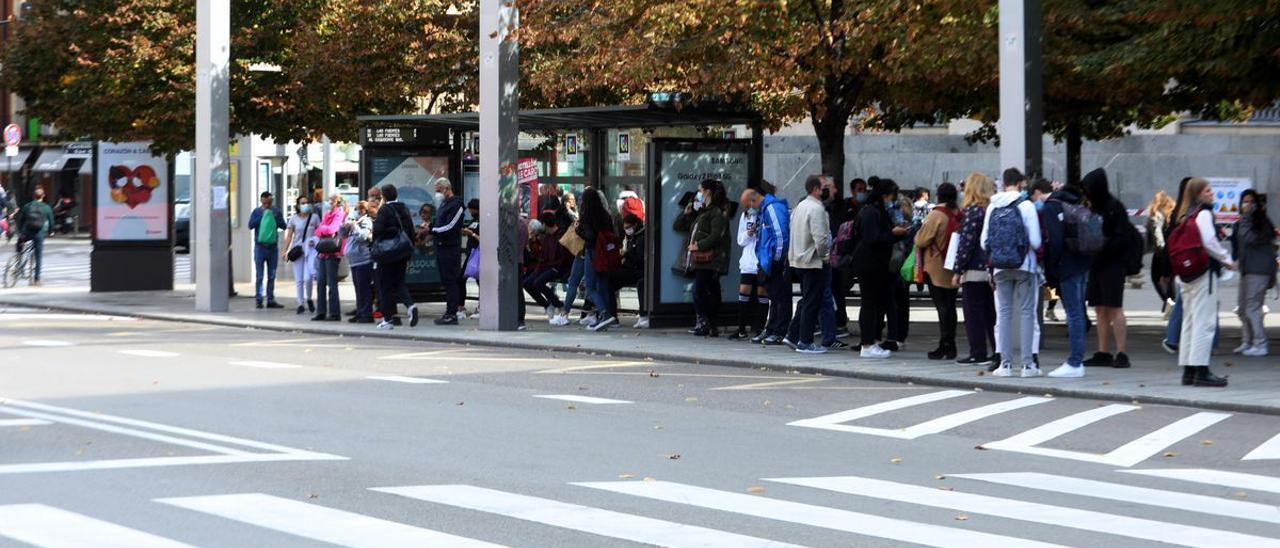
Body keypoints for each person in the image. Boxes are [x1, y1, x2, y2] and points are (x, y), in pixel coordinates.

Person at [1171, 177, 1233, 387]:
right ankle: (1201, 371)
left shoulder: (1185, 214)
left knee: (1189, 321)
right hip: (1203, 275)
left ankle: (1188, 370)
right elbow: (1209, 241)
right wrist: (1226, 259)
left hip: (1187, 275)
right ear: (1198, 194)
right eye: (1207, 191)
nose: (1211, 193)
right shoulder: (1204, 213)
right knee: (1204, 323)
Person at [982, 176, 1042, 377]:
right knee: (1027, 313)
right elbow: (1035, 241)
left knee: (1004, 314)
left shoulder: (992, 207)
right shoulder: (1026, 206)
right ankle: (1028, 365)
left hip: (999, 267)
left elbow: (984, 242)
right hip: (1024, 265)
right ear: (1019, 184)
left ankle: (1005, 365)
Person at [1042, 183, 1095, 378]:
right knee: (1078, 312)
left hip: (1066, 265)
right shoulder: (1077, 204)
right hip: (1082, 263)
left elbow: (1055, 240)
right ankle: (1076, 359)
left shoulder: (1052, 206)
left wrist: (1051, 268)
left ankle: (1075, 362)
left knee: (1073, 314)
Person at [1082, 169, 1133, 369]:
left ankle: (1121, 352)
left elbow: (1122, 238)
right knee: (1100, 309)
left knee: (1114, 308)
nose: (1086, 192)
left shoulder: (1114, 208)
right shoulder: (1094, 207)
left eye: (1088, 188)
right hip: (1097, 264)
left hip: (1112, 264)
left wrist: (1101, 246)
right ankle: (1103, 351)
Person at [855, 179, 909, 358]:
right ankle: (867, 344)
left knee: (874, 303)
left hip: (877, 264)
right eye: (890, 195)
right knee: (869, 304)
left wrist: (897, 235)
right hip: (869, 263)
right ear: (883, 195)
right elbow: (872, 238)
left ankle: (870, 341)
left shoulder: (878, 210)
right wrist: (892, 234)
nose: (891, 199)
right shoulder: (871, 211)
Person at [674, 179, 731, 337]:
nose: (698, 193)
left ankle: (707, 322)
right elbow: (678, 227)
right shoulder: (702, 212)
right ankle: (709, 324)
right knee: (709, 291)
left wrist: (698, 245)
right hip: (702, 260)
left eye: (700, 190)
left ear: (707, 192)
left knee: (700, 291)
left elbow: (716, 236)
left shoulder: (717, 212)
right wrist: (686, 214)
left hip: (712, 259)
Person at [951, 173, 997, 365]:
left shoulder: (972, 211)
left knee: (973, 312)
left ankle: (977, 352)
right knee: (990, 313)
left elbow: (966, 244)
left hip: (973, 269)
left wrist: (957, 270)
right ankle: (997, 350)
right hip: (989, 269)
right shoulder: (990, 210)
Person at [785, 175, 833, 354]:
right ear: (815, 189)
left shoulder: (800, 206)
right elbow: (820, 239)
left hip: (799, 260)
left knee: (807, 300)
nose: (828, 190)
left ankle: (792, 335)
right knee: (812, 302)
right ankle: (805, 341)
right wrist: (825, 257)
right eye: (825, 186)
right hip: (813, 262)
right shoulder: (816, 209)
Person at [914, 182, 961, 360]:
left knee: (942, 306)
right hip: (953, 265)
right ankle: (951, 344)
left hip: (936, 266)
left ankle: (945, 344)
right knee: (951, 306)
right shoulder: (958, 213)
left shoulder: (936, 215)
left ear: (939, 196)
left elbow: (920, 240)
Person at [744, 184, 792, 345]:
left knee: (781, 298)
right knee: (774, 297)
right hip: (767, 260)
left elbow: (781, 236)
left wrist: (777, 260)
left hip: (774, 261)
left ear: (753, 200)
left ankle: (779, 331)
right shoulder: (765, 210)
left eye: (747, 206)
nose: (748, 210)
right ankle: (771, 329)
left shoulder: (772, 208)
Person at [1231, 189, 1276, 357]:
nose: (1246, 205)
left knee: (1252, 307)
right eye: (1244, 201)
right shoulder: (1243, 222)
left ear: (1257, 205)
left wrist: (1245, 219)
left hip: (1258, 271)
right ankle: (1247, 341)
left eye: (1250, 202)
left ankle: (1260, 343)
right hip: (1247, 269)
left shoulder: (1260, 223)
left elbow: (1249, 238)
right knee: (1242, 308)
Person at [373, 184, 418, 329]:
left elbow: (377, 230)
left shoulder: (384, 210)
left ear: (383, 196)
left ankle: (388, 319)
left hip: (387, 253)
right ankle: (410, 306)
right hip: (402, 252)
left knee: (384, 286)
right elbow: (411, 230)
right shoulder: (403, 208)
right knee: (399, 282)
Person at [578, 187, 620, 331]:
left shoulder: (586, 216)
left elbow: (590, 237)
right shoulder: (606, 215)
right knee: (602, 285)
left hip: (593, 251)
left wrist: (579, 231)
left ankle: (604, 313)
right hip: (606, 252)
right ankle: (604, 318)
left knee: (589, 286)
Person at [729, 190, 768, 340]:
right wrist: (748, 234)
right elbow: (740, 240)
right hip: (748, 260)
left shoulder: (766, 214)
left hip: (761, 260)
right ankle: (741, 329)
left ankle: (759, 328)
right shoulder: (745, 216)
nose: (749, 207)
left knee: (762, 293)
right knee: (744, 291)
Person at [524, 212, 573, 325]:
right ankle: (547, 305)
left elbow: (564, 258)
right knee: (526, 283)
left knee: (538, 283)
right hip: (546, 266)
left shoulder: (560, 235)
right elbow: (543, 256)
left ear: (545, 224)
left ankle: (558, 305)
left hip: (558, 267)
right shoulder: (547, 237)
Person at [431, 180, 465, 325]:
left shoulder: (457, 204)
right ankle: (449, 311)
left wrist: (432, 230)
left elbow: (451, 226)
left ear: (446, 189)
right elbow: (439, 223)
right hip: (441, 246)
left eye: (439, 190)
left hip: (450, 248)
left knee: (451, 281)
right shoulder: (444, 204)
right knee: (446, 280)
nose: (437, 194)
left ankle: (452, 313)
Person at [247, 191, 286, 309]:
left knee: (272, 275)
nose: (267, 204)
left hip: (272, 248)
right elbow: (250, 225)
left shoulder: (276, 212)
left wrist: (275, 218)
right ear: (261, 201)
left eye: (269, 202)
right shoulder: (257, 212)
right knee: (259, 275)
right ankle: (259, 299)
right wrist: (262, 216)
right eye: (264, 202)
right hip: (260, 247)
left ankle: (270, 299)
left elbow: (283, 225)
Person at [610, 213, 649, 329]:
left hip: (636, 270)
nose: (627, 230)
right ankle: (611, 314)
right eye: (625, 228)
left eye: (628, 227)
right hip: (630, 269)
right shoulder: (634, 237)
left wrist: (626, 254)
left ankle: (612, 315)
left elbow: (640, 259)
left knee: (610, 280)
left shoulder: (640, 237)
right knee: (609, 280)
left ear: (635, 225)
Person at [283, 195, 320, 315]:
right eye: (302, 203)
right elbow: (289, 236)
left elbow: (319, 233)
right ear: (298, 205)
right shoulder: (293, 219)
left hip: (311, 252)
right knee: (299, 280)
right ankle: (300, 303)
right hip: (297, 250)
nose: (305, 205)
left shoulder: (314, 217)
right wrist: (285, 250)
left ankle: (309, 298)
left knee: (308, 278)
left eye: (307, 202)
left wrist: (315, 242)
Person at [311, 195, 346, 321]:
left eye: (330, 201)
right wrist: (324, 230)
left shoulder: (339, 214)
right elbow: (317, 231)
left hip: (333, 252)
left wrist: (323, 229)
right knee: (320, 282)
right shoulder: (327, 215)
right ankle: (321, 311)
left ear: (336, 202)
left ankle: (335, 313)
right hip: (323, 252)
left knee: (332, 283)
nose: (327, 203)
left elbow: (333, 229)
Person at [343, 200, 376, 324]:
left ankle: (367, 314)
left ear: (363, 210)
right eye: (355, 209)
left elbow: (363, 236)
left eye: (358, 209)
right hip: (354, 261)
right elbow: (343, 236)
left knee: (364, 288)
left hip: (363, 260)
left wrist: (354, 226)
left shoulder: (366, 222)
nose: (356, 211)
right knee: (358, 289)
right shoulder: (355, 221)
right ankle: (360, 312)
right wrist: (344, 227)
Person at [15, 187, 54, 286]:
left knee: (20, 244)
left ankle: (18, 262)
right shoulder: (46, 207)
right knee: (38, 257)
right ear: (43, 196)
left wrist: (20, 231)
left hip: (26, 233)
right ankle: (37, 280)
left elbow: (20, 219)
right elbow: (51, 222)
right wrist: (51, 232)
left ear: (33, 196)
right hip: (39, 234)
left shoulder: (27, 206)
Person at [1146, 190, 1177, 311]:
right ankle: (1170, 301)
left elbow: (1158, 236)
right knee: (1169, 278)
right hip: (1172, 251)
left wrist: (1161, 250)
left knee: (1156, 277)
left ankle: (1168, 302)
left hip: (1161, 252)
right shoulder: (1172, 215)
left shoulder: (1156, 215)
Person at [460, 199, 481, 318]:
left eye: (471, 210)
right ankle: (460, 306)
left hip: (478, 254)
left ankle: (481, 307)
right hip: (470, 254)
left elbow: (483, 239)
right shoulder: (474, 221)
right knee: (461, 279)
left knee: (480, 281)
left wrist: (472, 234)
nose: (470, 212)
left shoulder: (483, 221)